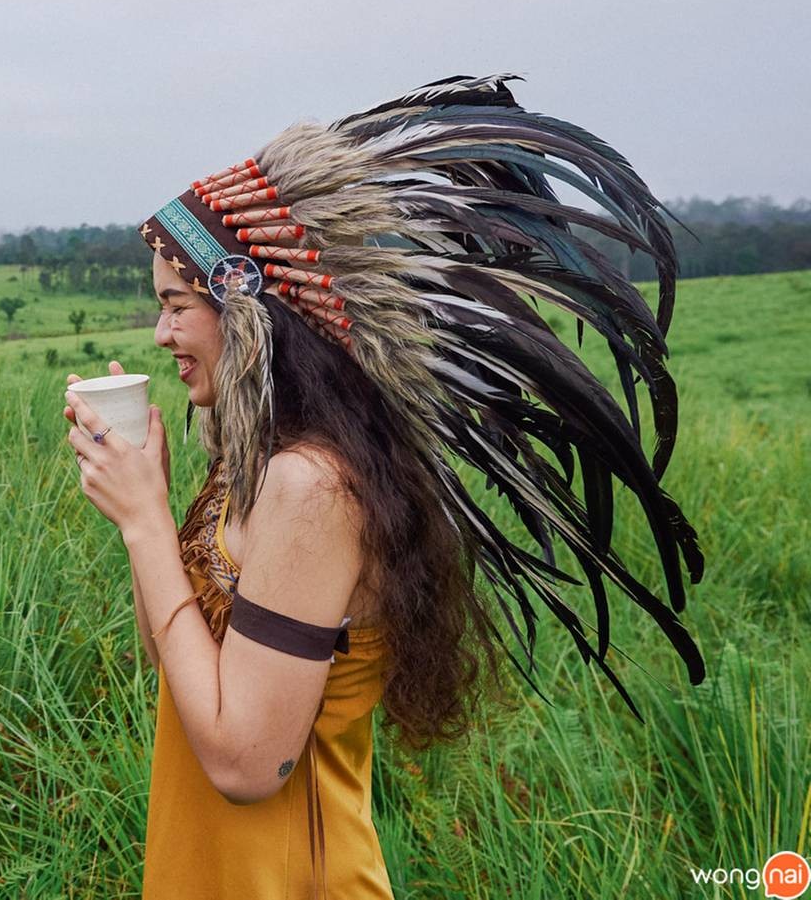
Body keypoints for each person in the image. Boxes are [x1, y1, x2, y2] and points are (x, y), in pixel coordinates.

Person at [62, 75, 705, 898]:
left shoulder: (312, 488)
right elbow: (180, 663)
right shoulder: (257, 458)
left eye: (178, 304)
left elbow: (245, 761)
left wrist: (149, 522)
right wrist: (140, 514)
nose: (161, 333)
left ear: (254, 312)